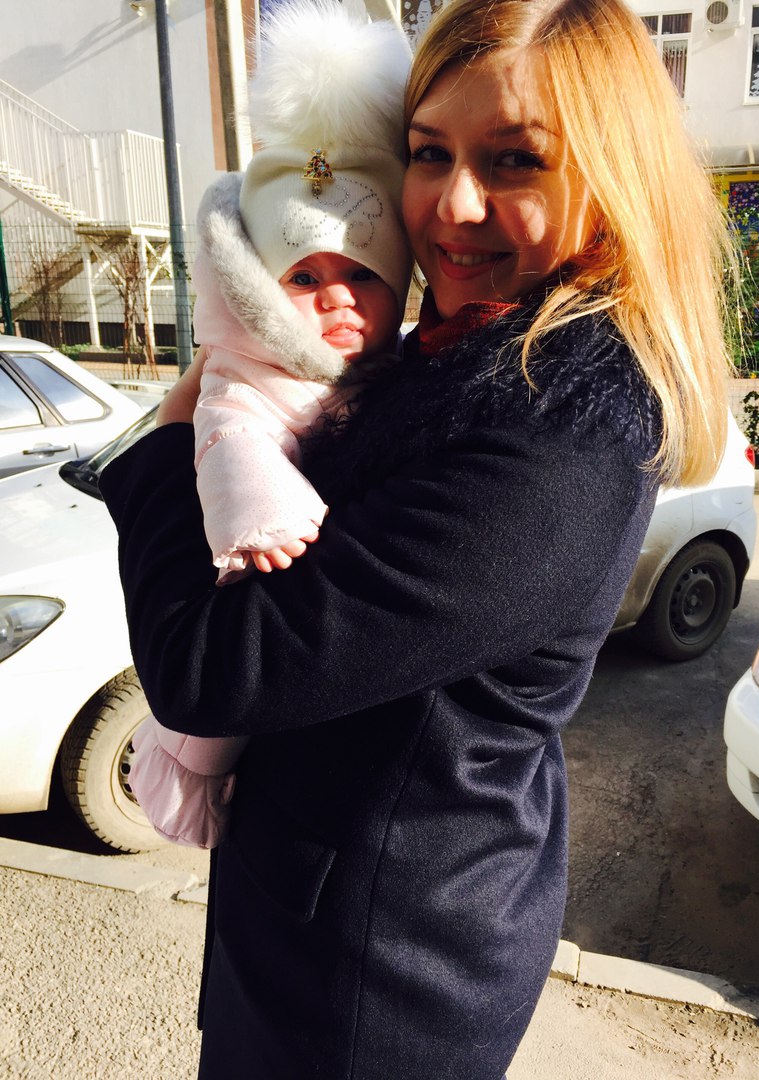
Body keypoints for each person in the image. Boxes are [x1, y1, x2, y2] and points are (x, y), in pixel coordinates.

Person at [100, 0, 738, 1075]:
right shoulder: (455, 354)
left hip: (372, 983)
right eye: (429, 151)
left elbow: (212, 670)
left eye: (515, 160)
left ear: (609, 180)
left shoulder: (556, 438)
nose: (454, 203)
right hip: (338, 924)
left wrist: (169, 448)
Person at [127, 0, 412, 850]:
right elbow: (228, 435)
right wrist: (263, 516)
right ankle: (190, 776)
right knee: (210, 728)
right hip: (249, 558)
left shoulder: (389, 372)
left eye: (362, 275)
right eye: (304, 279)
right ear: (257, 293)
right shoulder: (246, 366)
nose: (336, 298)